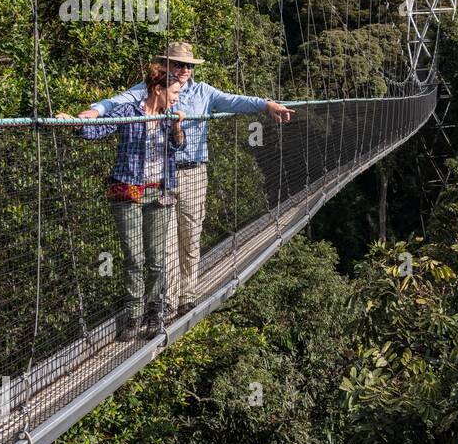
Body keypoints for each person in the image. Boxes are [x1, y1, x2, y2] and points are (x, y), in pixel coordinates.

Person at [68, 42, 293, 318]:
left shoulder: (204, 92)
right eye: (178, 64)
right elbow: (115, 103)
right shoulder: (150, 88)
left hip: (194, 172)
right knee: (165, 244)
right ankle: (168, 303)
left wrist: (266, 104)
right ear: (165, 65)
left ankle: (188, 295)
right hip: (163, 177)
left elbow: (235, 101)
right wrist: (90, 114)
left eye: (188, 65)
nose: (184, 70)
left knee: (190, 234)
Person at [60, 64, 186, 341]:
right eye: (174, 92)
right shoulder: (130, 112)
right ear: (158, 90)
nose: (177, 97)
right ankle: (133, 315)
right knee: (134, 256)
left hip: (160, 191)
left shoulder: (169, 116)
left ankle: (155, 311)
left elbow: (179, 146)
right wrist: (77, 122)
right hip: (127, 189)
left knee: (156, 257)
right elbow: (99, 128)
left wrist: (177, 125)